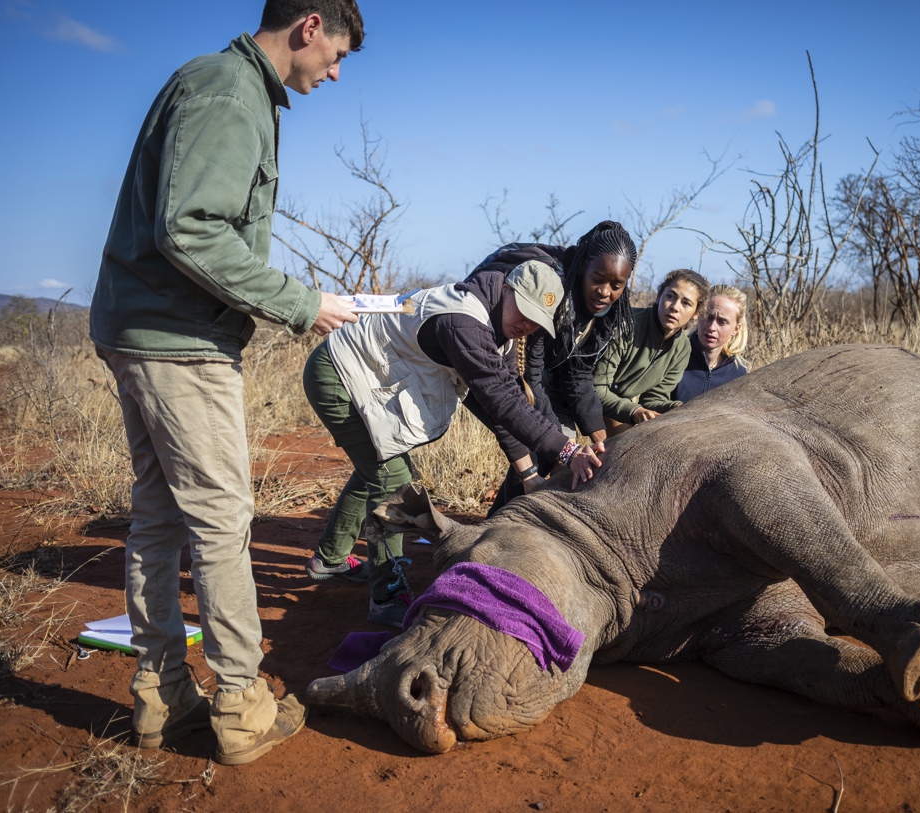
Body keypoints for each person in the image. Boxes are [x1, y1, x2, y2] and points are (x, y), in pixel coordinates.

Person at [90, 1, 366, 766]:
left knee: (158, 514)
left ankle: (161, 694)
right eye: (337, 55)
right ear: (309, 26)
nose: (335, 73)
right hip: (180, 341)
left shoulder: (216, 83)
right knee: (221, 514)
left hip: (140, 326)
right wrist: (301, 303)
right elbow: (190, 228)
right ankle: (241, 701)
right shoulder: (230, 92)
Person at [302, 260, 606, 627]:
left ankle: (330, 558)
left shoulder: (499, 332)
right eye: (525, 311)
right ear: (507, 289)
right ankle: (386, 598)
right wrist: (568, 450)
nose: (526, 325)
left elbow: (502, 408)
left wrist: (528, 475)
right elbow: (502, 402)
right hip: (339, 375)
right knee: (393, 480)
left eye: (536, 321)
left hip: (366, 378)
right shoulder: (464, 321)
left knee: (378, 466)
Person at [476, 221, 637, 510]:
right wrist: (560, 441)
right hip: (493, 358)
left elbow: (578, 373)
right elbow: (530, 375)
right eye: (598, 279)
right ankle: (499, 530)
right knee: (537, 444)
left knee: (550, 446)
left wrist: (601, 436)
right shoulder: (551, 291)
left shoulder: (602, 313)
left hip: (527, 375)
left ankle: (505, 525)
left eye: (616, 285)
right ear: (584, 267)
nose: (604, 292)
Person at [594, 269, 710, 435]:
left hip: (615, 405)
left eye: (686, 303)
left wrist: (677, 407)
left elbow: (653, 399)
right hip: (580, 395)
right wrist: (635, 411)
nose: (675, 307)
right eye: (670, 296)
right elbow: (597, 387)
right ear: (659, 297)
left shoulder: (683, 349)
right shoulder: (628, 325)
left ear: (696, 314)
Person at [673, 284, 750, 403]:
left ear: (736, 329)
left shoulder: (738, 373)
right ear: (698, 316)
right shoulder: (674, 356)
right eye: (708, 317)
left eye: (722, 321)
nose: (712, 327)